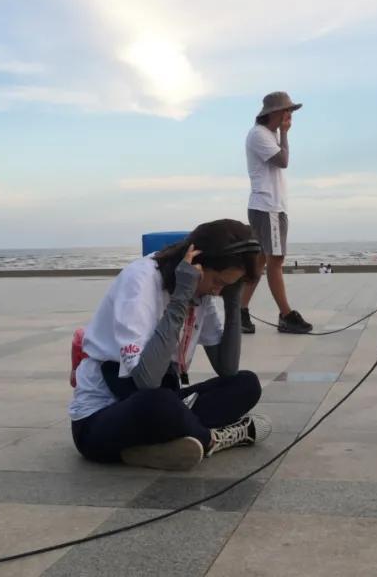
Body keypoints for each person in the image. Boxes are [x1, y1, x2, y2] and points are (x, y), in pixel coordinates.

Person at [69, 220, 272, 471]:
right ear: (197, 264)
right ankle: (214, 439)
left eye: (227, 286)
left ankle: (156, 447)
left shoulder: (203, 291)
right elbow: (147, 381)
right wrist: (180, 298)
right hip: (98, 422)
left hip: (160, 405)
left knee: (246, 384)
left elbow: (227, 368)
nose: (217, 291)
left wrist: (233, 302)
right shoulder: (141, 280)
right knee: (160, 403)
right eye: (218, 282)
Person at [240, 92, 313, 334]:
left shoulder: (266, 134)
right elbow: (283, 161)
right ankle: (286, 315)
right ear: (273, 113)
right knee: (276, 261)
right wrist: (284, 134)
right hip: (268, 207)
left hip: (271, 206)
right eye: (286, 110)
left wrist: (280, 133)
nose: (289, 115)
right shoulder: (260, 135)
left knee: (260, 261)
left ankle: (239, 312)